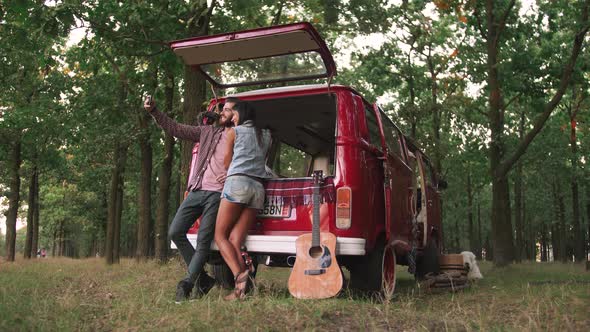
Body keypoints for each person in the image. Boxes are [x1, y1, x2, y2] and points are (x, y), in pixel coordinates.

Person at [144, 96, 235, 303]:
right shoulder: (205, 132)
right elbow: (176, 128)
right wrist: (154, 111)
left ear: (235, 116)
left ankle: (187, 283)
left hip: (217, 194)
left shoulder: (236, 135)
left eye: (228, 110)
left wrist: (231, 175)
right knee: (175, 231)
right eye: (222, 109)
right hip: (196, 190)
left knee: (204, 240)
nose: (222, 112)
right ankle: (203, 279)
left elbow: (246, 159)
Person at [214, 100, 272, 300]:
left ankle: (239, 275)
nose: (233, 118)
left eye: (235, 115)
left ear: (243, 115)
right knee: (235, 240)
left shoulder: (234, 132)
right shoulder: (266, 135)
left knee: (220, 236)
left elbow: (227, 162)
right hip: (258, 188)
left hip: (237, 184)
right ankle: (240, 293)